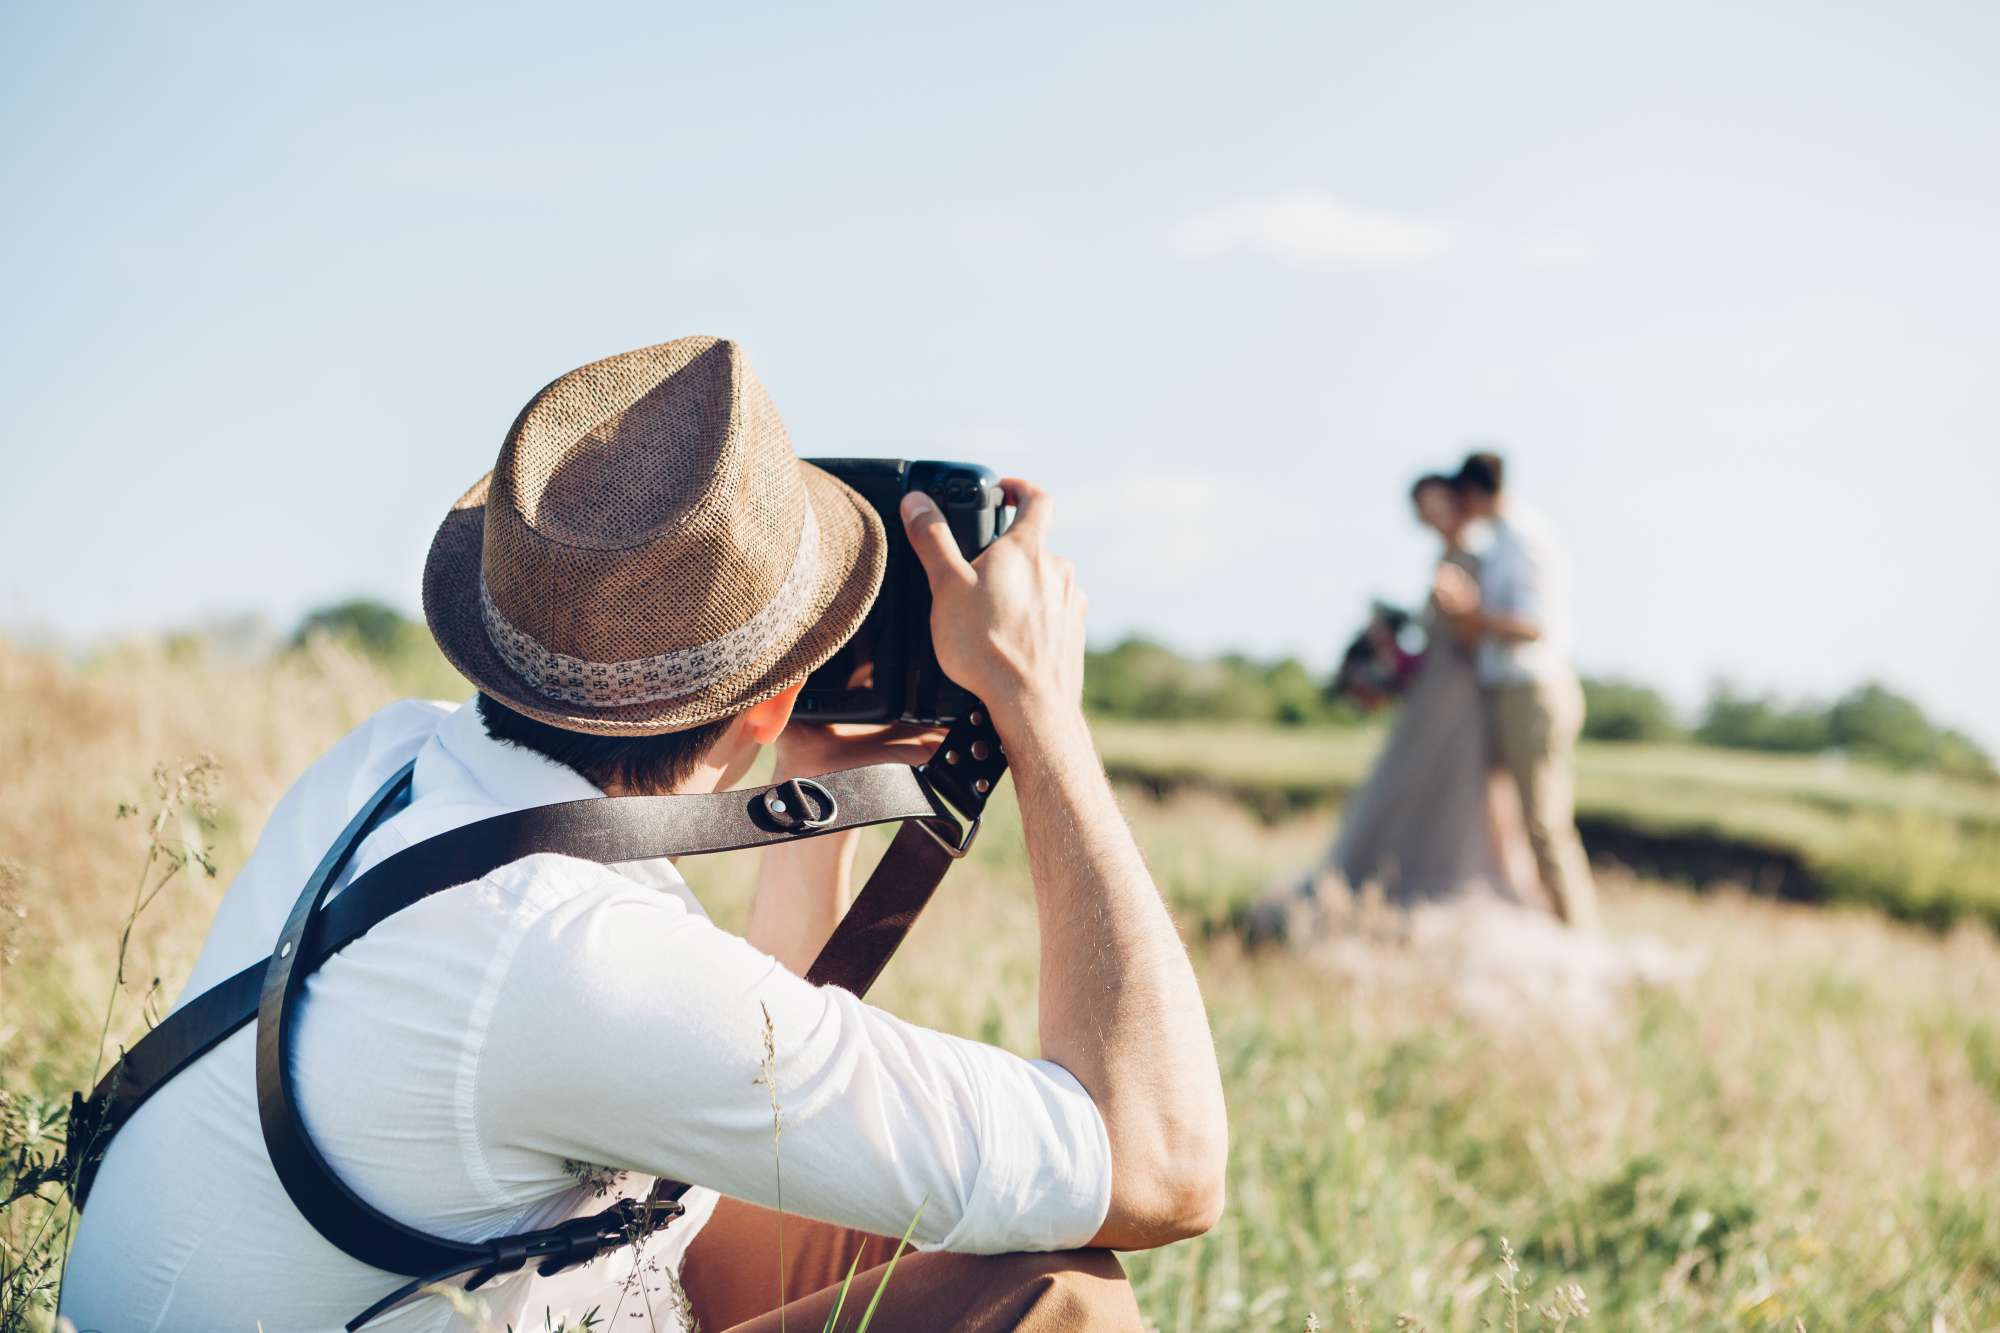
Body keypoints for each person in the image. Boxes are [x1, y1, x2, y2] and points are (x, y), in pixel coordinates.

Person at [62, 337, 1228, 1331]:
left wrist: (810, 788)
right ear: (770, 693)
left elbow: (724, 1065)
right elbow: (1163, 1169)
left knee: (839, 1212)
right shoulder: (570, 954)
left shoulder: (394, 758)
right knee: (1058, 1293)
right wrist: (1042, 721)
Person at [1307, 475, 1523, 909]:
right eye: (1424, 509)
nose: (1432, 517)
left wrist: (1460, 613)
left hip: (1458, 689)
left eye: (1438, 505)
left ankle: (1442, 885)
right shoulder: (1444, 555)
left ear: (1458, 503)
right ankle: (1385, 883)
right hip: (1430, 686)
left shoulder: (1477, 557)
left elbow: (1472, 631)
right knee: (1406, 783)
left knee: (1454, 787)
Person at [1434, 451, 1601, 931]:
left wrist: (1470, 615)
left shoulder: (1527, 539)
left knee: (1545, 823)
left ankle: (1580, 934)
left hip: (1533, 691)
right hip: (1508, 690)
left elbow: (1534, 627)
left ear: (1472, 493)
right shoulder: (1500, 540)